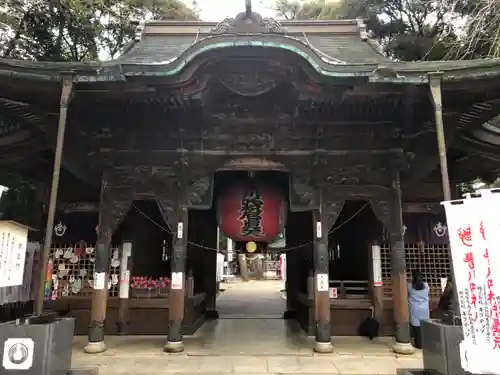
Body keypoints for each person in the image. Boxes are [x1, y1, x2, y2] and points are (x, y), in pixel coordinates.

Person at [408, 270, 429, 349]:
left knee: (417, 327)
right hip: (424, 308)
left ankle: (419, 344)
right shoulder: (426, 285)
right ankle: (424, 343)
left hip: (415, 308)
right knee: (424, 326)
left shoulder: (410, 286)